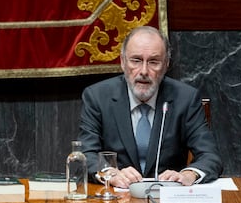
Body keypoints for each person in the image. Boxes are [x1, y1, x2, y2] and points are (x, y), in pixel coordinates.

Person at [78, 26, 222, 189]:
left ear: (166, 64)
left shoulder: (186, 98)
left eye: (153, 62)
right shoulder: (97, 97)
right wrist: (109, 172)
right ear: (123, 62)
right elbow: (85, 155)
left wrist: (188, 174)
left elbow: (210, 156)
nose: (144, 71)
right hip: (116, 200)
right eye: (136, 60)